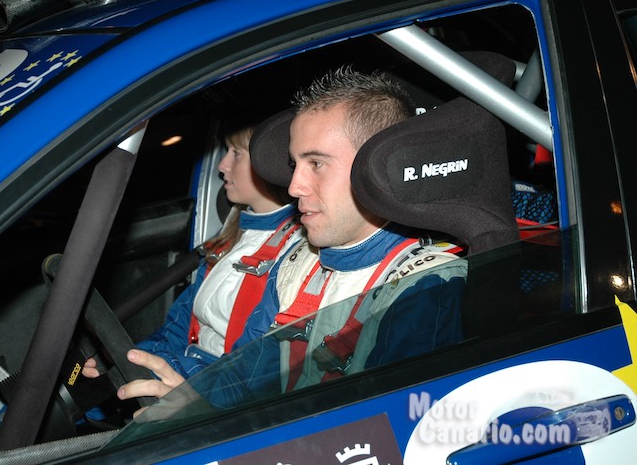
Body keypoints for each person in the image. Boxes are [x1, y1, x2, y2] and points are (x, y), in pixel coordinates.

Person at [116, 67, 465, 413]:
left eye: (316, 164)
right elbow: (244, 381)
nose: (295, 186)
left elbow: (383, 426)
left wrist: (209, 416)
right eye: (294, 164)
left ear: (379, 168)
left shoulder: (426, 286)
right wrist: (189, 397)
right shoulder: (298, 262)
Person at [82, 122, 302, 381]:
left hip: (213, 387)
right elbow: (177, 329)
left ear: (270, 160)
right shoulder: (231, 237)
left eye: (236, 153)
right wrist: (129, 358)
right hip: (191, 373)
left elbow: (248, 374)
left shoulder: (294, 252)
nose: (222, 165)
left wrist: (165, 371)